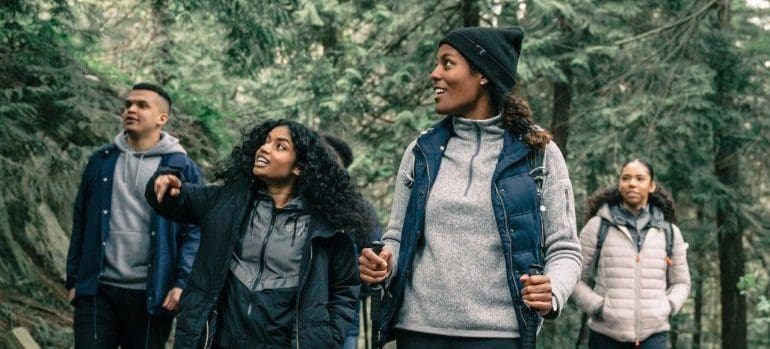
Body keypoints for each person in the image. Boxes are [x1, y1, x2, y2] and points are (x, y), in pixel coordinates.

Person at [358, 26, 582, 349]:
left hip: (499, 337)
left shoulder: (538, 153)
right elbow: (397, 235)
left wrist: (553, 291)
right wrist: (383, 263)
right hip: (418, 333)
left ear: (483, 75)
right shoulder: (420, 152)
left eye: (447, 64)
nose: (435, 74)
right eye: (437, 64)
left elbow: (566, 249)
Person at [146, 119, 371, 348]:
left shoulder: (326, 226)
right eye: (265, 142)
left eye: (280, 146)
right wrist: (163, 179)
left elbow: (345, 287)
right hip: (219, 340)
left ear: (299, 167)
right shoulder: (226, 202)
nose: (265, 148)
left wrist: (328, 336)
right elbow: (176, 199)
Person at [65, 83, 204, 349]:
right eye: (128, 104)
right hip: (97, 291)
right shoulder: (101, 160)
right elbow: (81, 219)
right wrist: (74, 280)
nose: (131, 109)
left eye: (142, 105)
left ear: (162, 118)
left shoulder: (182, 167)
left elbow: (195, 230)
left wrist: (183, 282)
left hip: (152, 295)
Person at [573, 159, 690, 349]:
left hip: (654, 336)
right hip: (606, 335)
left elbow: (682, 283)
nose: (632, 183)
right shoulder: (598, 226)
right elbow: (575, 278)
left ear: (651, 186)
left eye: (640, 178)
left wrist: (667, 306)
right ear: (620, 184)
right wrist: (599, 308)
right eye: (626, 178)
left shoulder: (669, 231)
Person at [322, 134, 384, 349]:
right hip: (347, 302)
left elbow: (374, 252)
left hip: (342, 302)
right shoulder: (359, 205)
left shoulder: (358, 207)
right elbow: (375, 246)